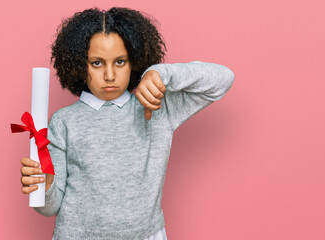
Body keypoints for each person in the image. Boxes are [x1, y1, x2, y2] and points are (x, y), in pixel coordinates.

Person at [19, 7, 234, 240]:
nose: (110, 75)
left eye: (120, 62)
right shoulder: (63, 122)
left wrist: (160, 74)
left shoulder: (158, 107)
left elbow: (223, 79)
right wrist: (46, 183)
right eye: (97, 63)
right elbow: (49, 208)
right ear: (81, 65)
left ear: (134, 62)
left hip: (145, 234)